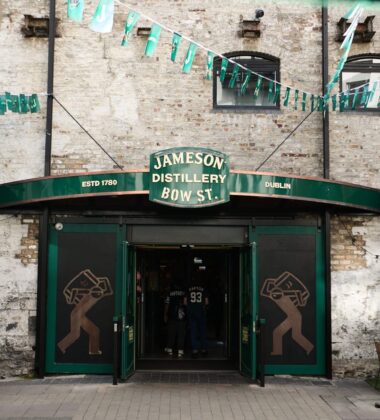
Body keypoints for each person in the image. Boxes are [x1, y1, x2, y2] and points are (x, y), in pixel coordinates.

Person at [186, 272, 209, 358]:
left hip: (192, 312)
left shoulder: (188, 288)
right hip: (201, 311)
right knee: (202, 331)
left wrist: (190, 307)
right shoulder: (203, 288)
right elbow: (206, 301)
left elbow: (185, 301)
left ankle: (194, 350)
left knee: (193, 331)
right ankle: (203, 349)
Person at [164, 279, 186, 358]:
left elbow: (167, 304)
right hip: (182, 315)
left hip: (171, 315)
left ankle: (170, 349)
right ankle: (180, 350)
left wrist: (165, 315)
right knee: (181, 334)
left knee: (171, 333)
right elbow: (185, 303)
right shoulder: (184, 293)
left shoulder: (169, 293)